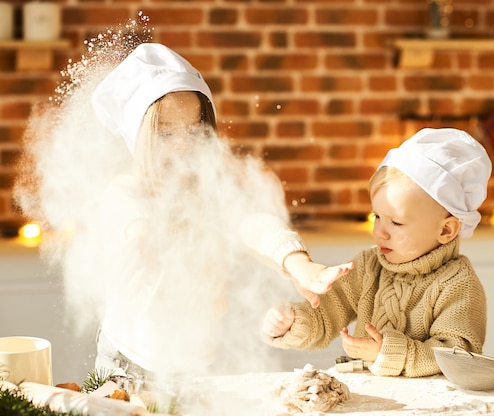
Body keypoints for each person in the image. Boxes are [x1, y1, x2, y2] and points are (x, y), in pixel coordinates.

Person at [87, 43, 352, 379]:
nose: (182, 144)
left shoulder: (208, 191)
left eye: (194, 130)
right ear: (136, 137)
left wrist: (300, 266)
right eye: (165, 133)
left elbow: (252, 225)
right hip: (132, 364)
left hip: (200, 361)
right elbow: (133, 226)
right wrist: (143, 244)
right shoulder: (126, 191)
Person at [262, 127, 492, 378]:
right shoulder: (368, 265)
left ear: (446, 230)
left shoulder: (459, 284)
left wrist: (387, 352)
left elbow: (457, 356)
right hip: (370, 395)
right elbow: (327, 313)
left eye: (396, 222)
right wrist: (293, 322)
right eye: (377, 217)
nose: (380, 232)